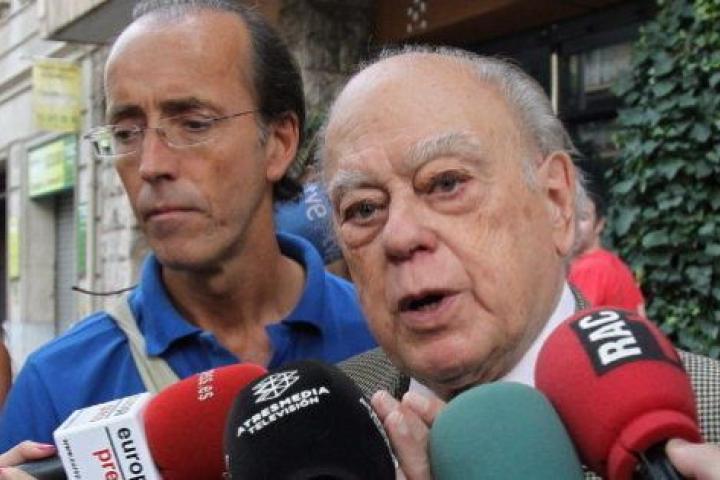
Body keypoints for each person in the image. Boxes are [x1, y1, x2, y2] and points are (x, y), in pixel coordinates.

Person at [319, 47, 720, 479]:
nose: (399, 236)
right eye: (363, 209)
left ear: (556, 202)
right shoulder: (317, 433)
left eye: (447, 183)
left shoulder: (707, 418)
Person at [0, 0, 376, 459]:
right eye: (126, 133)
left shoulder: (387, 337)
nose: (151, 165)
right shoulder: (57, 387)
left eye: (194, 124)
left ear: (279, 143)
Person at [569, 158, 646, 315]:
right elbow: (640, 312)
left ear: (599, 224)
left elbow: (572, 322)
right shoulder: (613, 264)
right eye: (570, 215)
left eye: (583, 218)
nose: (574, 224)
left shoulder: (591, 269)